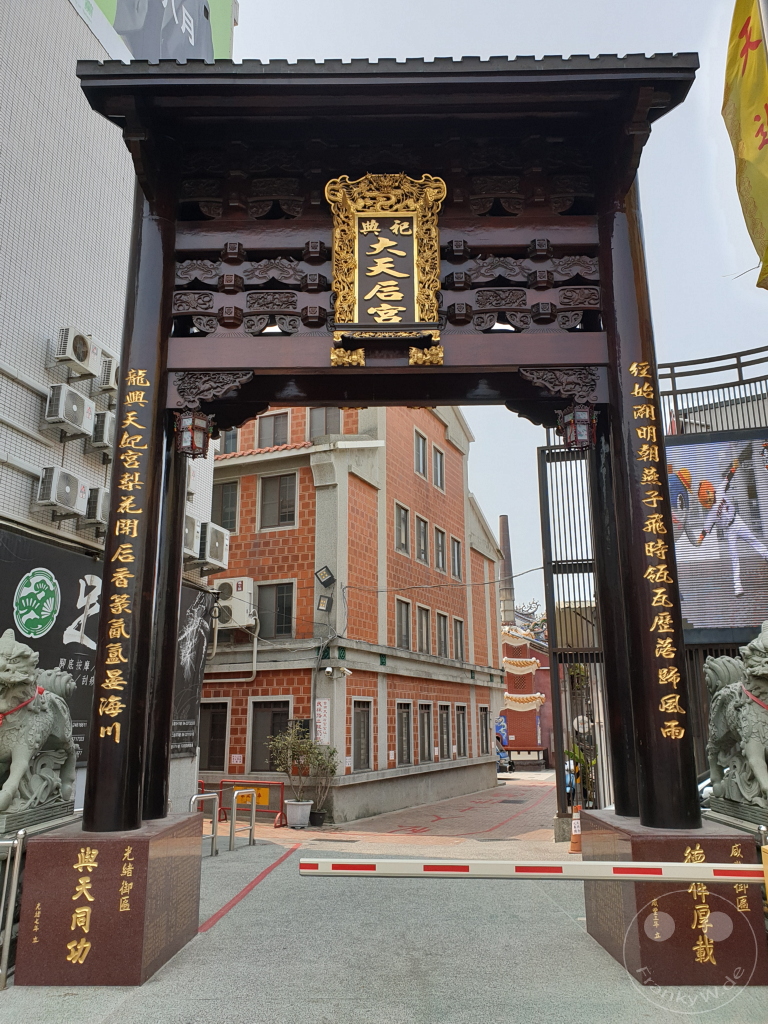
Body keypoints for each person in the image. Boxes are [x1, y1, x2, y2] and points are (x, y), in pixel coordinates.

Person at [697, 458, 768, 597]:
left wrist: (734, 467)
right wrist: (700, 539)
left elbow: (727, 478)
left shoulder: (719, 490)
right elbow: (705, 529)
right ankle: (737, 585)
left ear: (710, 490)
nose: (708, 499)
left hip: (737, 521)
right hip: (729, 530)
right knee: (734, 556)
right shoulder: (710, 513)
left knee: (753, 540)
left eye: (708, 495)